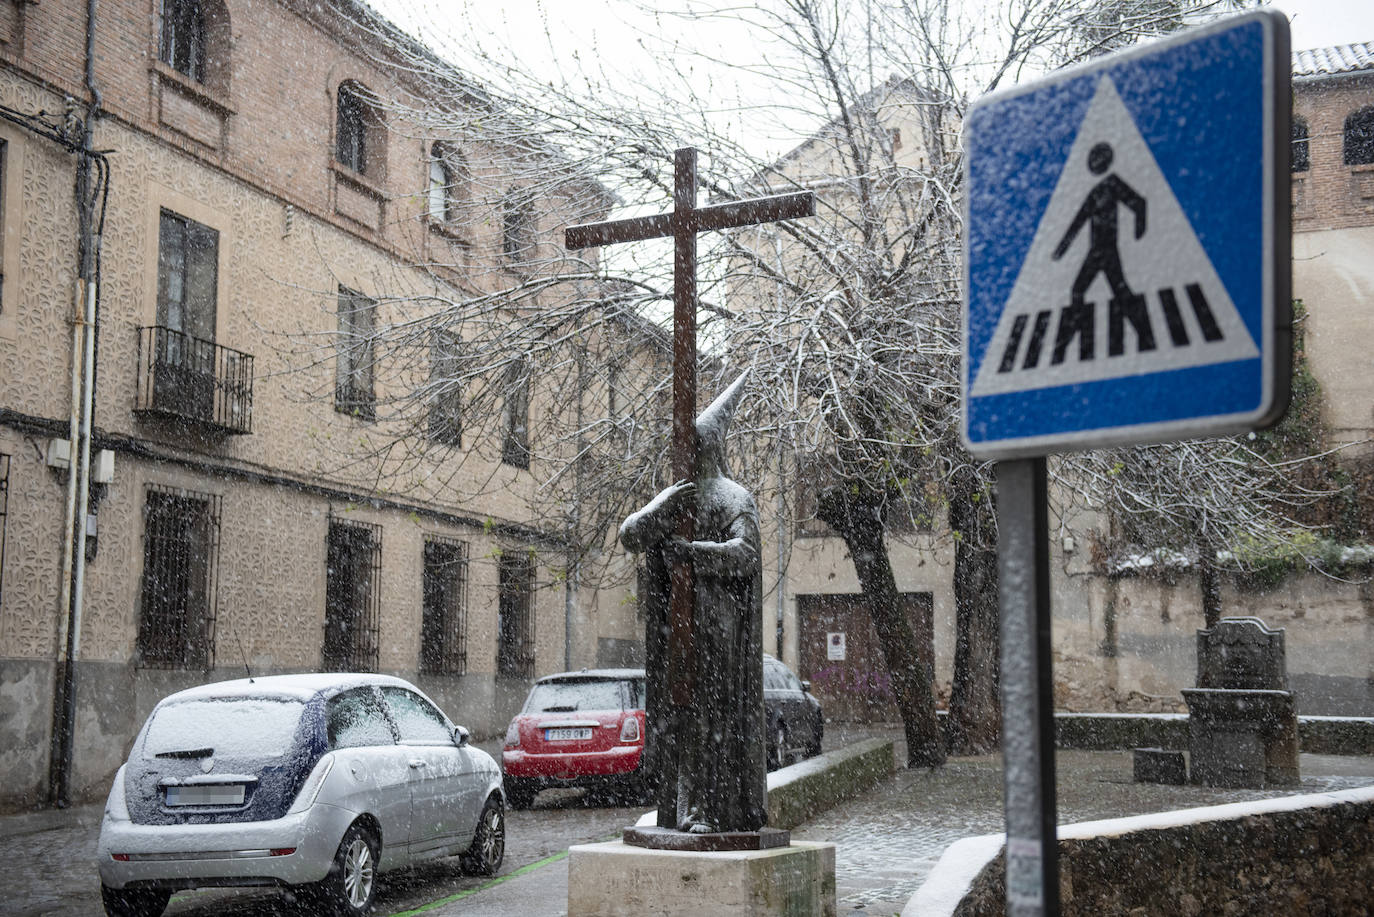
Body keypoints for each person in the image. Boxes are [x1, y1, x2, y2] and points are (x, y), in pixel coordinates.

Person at [618, 372, 767, 834]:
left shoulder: (734, 497)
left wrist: (694, 554)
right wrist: (657, 509)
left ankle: (710, 809)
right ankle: (682, 806)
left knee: (713, 719)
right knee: (680, 717)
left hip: (719, 630)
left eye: (698, 443)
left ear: (712, 446)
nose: (691, 451)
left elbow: (746, 554)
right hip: (675, 632)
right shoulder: (676, 497)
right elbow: (630, 537)